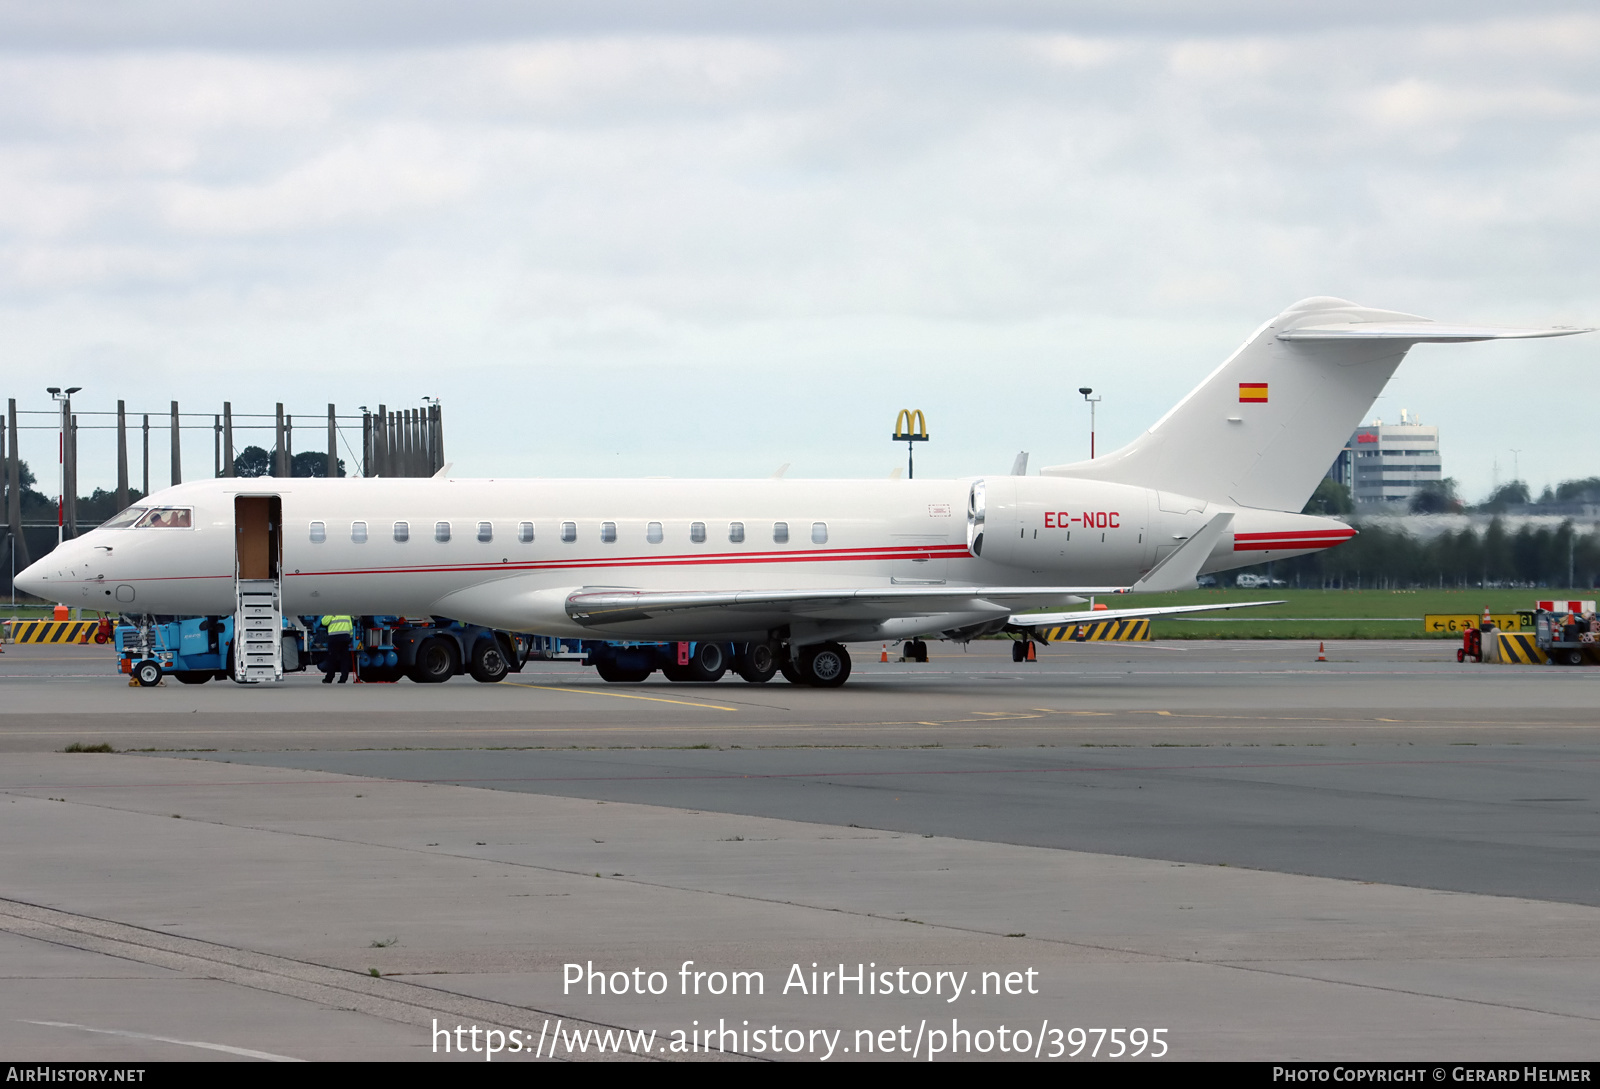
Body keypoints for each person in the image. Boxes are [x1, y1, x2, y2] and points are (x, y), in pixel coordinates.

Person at [320, 615, 355, 683]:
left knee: (332, 659)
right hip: (345, 637)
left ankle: (329, 678)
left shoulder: (332, 612)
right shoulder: (346, 614)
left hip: (334, 638)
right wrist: (350, 637)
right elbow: (350, 627)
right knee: (344, 659)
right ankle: (343, 678)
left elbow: (324, 622)